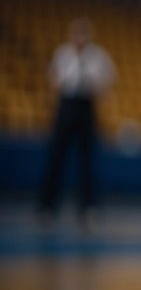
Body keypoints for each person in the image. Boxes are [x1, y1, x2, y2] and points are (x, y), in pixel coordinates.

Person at [36, 17, 116, 228]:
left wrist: (97, 87)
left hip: (86, 107)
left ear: (88, 36)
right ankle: (47, 207)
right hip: (66, 105)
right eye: (76, 33)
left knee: (87, 161)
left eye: (83, 34)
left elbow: (107, 83)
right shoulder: (62, 53)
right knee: (56, 158)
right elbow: (54, 79)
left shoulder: (98, 56)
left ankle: (88, 208)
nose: (79, 38)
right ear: (71, 35)